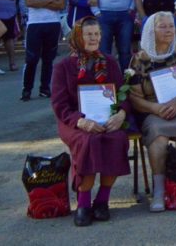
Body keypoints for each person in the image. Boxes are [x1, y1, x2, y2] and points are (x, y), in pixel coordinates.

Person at [51, 17, 130, 226]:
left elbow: (123, 96)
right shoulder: (64, 67)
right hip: (74, 122)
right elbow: (59, 105)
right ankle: (84, 203)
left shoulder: (110, 63)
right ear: (78, 36)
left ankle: (102, 201)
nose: (93, 38)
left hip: (106, 119)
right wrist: (80, 121)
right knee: (88, 142)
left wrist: (120, 114)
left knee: (117, 138)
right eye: (89, 34)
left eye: (96, 34)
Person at [128, 12, 176, 211]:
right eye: (162, 27)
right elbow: (134, 96)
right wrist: (155, 108)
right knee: (159, 137)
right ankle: (159, 190)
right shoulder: (140, 58)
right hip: (154, 111)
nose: (168, 30)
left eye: (171, 26)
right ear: (151, 30)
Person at [22, 0, 66, 101]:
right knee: (32, 58)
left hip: (52, 23)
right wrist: (49, 0)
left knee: (48, 58)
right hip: (35, 24)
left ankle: (45, 88)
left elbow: (61, 5)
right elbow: (29, 2)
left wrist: (39, 2)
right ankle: (27, 89)